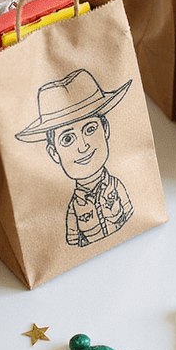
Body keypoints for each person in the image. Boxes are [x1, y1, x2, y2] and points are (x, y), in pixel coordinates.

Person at [15, 69, 133, 246]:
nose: (83, 146)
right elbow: (74, 243)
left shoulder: (117, 186)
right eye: (67, 139)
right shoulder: (73, 209)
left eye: (90, 129)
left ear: (105, 129)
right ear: (54, 153)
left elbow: (131, 217)